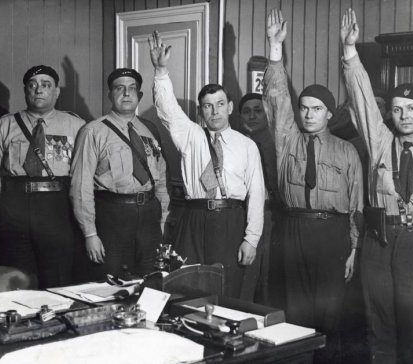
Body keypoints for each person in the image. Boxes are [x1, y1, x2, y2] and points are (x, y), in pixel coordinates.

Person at [264, 9, 363, 363]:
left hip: (332, 235)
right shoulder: (286, 139)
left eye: (316, 108)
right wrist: (275, 47)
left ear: (329, 113)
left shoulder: (347, 150)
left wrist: (352, 250)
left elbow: (356, 205)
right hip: (293, 229)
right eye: (304, 107)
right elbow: (277, 98)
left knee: (330, 316)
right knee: (294, 312)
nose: (308, 114)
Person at [149, 31, 264, 299]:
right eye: (208, 107)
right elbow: (167, 109)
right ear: (201, 112)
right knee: (189, 288)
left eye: (220, 104)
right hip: (194, 217)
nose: (215, 112)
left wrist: (251, 239)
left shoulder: (247, 146)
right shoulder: (191, 136)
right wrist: (161, 70)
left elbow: (257, 195)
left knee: (226, 290)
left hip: (230, 220)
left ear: (231, 107)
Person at [341, 9, 413, 364]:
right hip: (379, 240)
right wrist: (349, 52)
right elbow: (361, 100)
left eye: (412, 108)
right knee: (379, 325)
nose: (404, 115)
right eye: (396, 109)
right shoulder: (380, 141)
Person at [0, 65, 85, 289]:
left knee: (58, 282)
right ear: (25, 90)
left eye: (46, 85)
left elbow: (82, 179)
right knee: (17, 281)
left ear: (56, 92)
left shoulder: (76, 126)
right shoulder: (6, 124)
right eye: (33, 85)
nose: (39, 90)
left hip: (57, 211)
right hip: (13, 210)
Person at [70, 68, 169, 279]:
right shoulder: (93, 131)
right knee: (110, 281)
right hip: (112, 216)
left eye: (132, 89)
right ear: (110, 95)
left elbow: (161, 178)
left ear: (139, 96)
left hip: (149, 216)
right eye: (119, 88)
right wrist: (90, 233)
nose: (126, 94)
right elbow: (81, 186)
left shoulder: (150, 129)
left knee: (150, 280)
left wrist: (162, 219)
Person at [238, 93, 283, 303]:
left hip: (272, 214)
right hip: (242, 214)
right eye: (247, 111)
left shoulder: (276, 144)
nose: (252, 116)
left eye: (258, 111)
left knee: (268, 275)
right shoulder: (236, 143)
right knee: (247, 272)